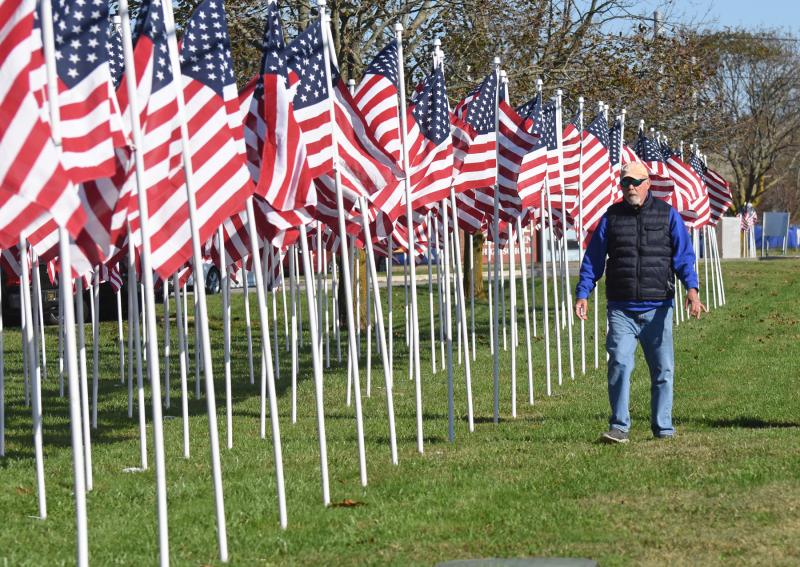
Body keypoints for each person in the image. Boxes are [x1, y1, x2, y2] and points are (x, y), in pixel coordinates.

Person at [574, 161, 707, 444]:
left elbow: (684, 256)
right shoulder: (611, 218)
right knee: (619, 364)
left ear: (648, 183)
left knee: (662, 371)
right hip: (621, 308)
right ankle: (619, 426)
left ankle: (663, 429)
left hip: (658, 307)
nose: (630, 187)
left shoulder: (668, 215)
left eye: (635, 182)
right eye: (625, 183)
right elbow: (594, 258)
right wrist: (583, 292)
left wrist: (692, 290)